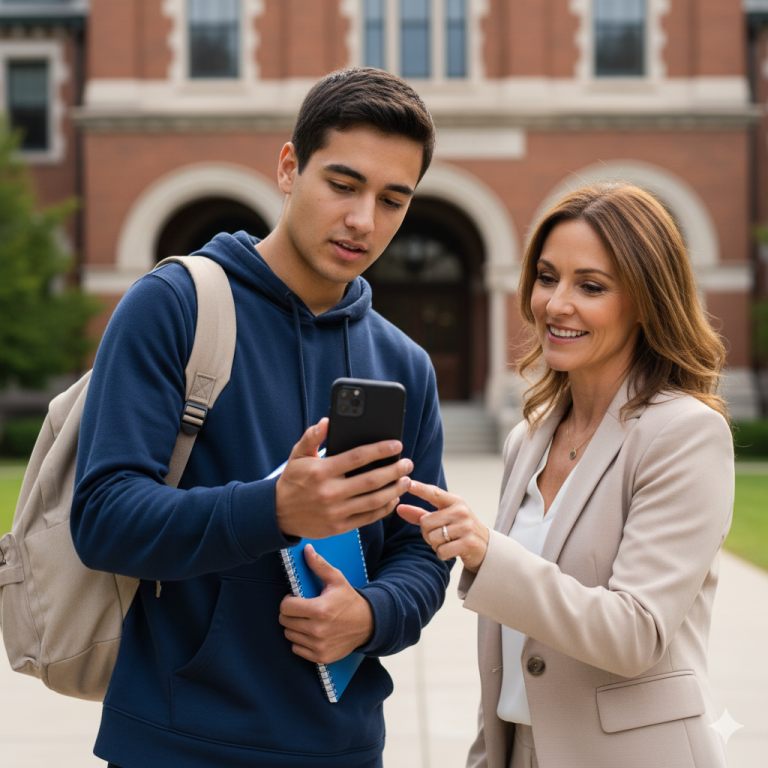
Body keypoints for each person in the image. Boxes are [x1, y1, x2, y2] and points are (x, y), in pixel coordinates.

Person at [71, 67, 451, 768]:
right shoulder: (174, 305)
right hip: (177, 743)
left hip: (343, 748)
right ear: (288, 167)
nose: (364, 220)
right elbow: (103, 518)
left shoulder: (405, 364)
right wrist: (274, 508)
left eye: (392, 200)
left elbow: (422, 550)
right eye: (343, 184)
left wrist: (371, 616)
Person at [398, 182, 734, 768]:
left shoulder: (684, 434)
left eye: (591, 286)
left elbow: (635, 635)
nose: (556, 304)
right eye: (547, 277)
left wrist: (488, 553)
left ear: (646, 301)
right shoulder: (526, 441)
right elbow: (508, 649)